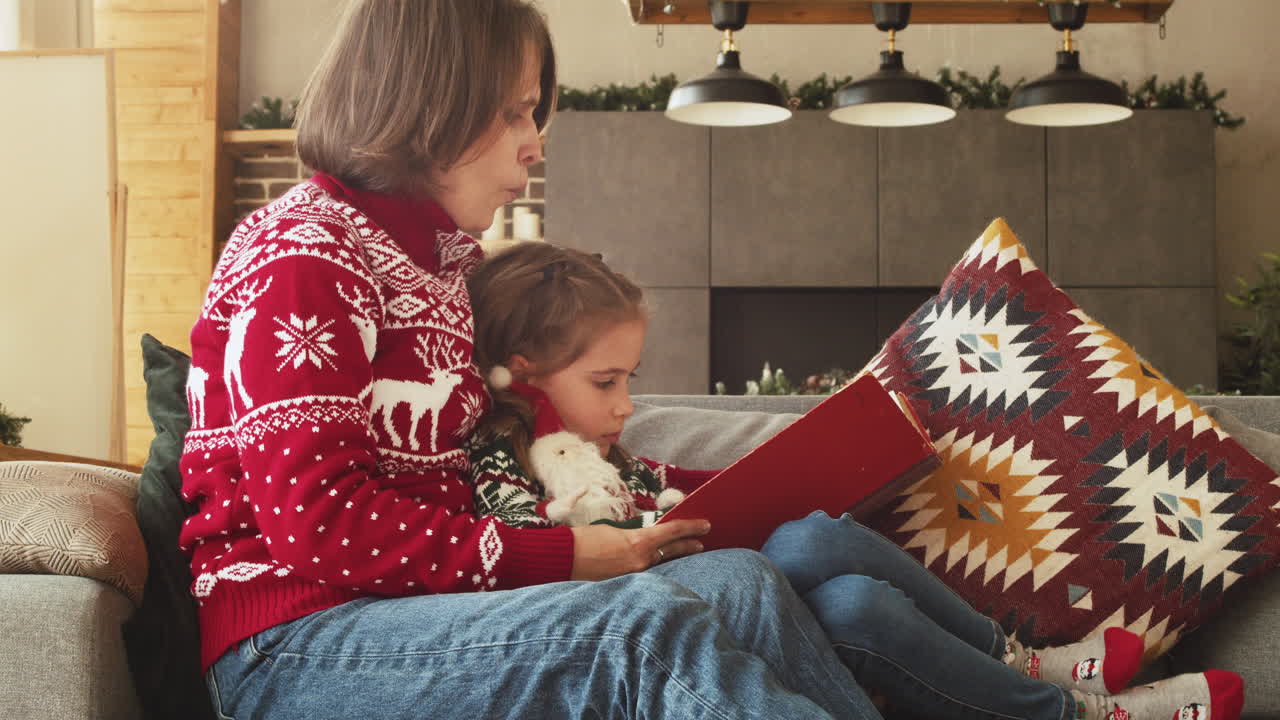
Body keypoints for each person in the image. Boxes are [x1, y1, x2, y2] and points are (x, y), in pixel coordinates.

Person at [178, 1, 884, 717]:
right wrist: (570, 557)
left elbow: (520, 460)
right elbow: (318, 525)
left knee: (744, 581)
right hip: (295, 642)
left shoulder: (444, 272)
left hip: (420, 610)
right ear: (432, 104)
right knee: (639, 631)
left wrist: (781, 480)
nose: (534, 146)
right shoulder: (305, 249)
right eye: (515, 114)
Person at [466, 241, 1246, 720]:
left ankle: (1028, 673)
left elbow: (680, 485)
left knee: (850, 594)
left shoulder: (615, 460)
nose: (627, 406)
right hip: (683, 643)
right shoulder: (502, 464)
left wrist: (807, 465)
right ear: (521, 375)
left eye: (630, 380)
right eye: (605, 383)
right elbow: (531, 563)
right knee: (808, 546)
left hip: (766, 611)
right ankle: (1056, 695)